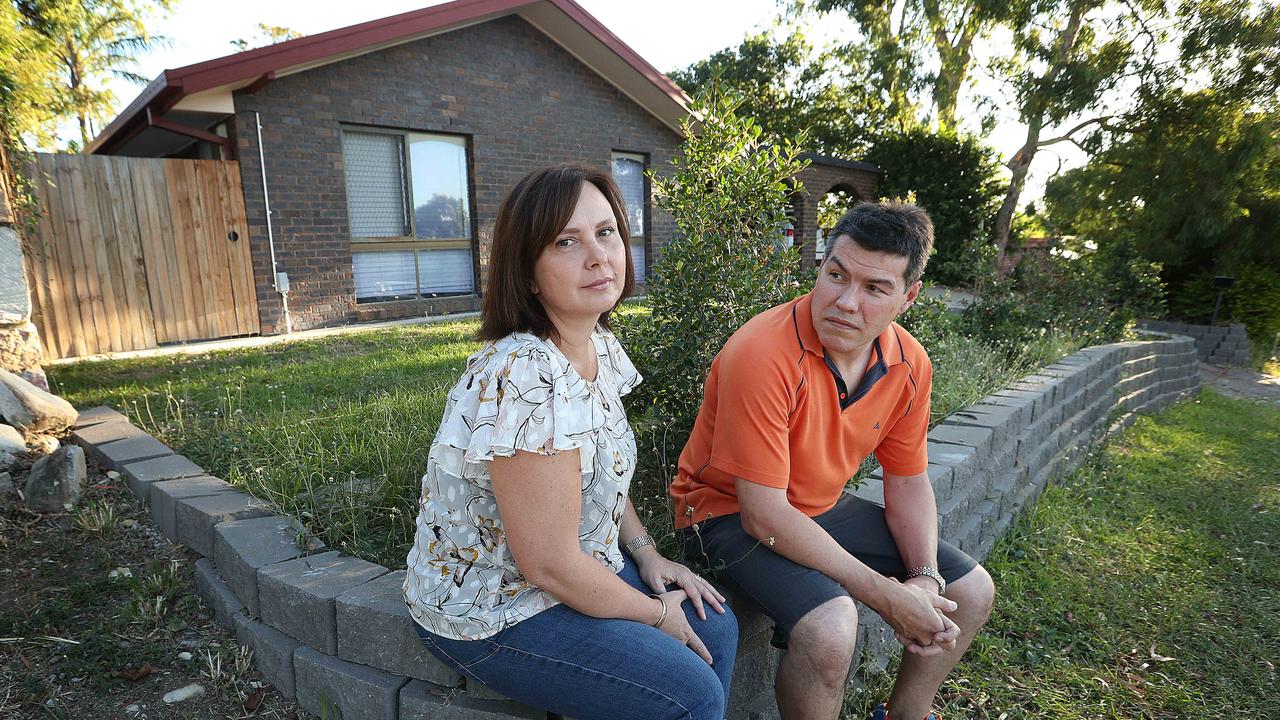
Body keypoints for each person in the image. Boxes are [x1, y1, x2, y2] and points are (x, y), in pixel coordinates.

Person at [403, 164, 737, 720]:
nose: (598, 255)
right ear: (529, 274)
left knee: (715, 625)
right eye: (566, 241)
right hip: (492, 608)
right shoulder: (525, 374)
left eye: (606, 232)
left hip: (577, 569)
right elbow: (548, 565)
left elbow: (602, 467)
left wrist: (647, 554)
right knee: (688, 691)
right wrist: (655, 615)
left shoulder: (597, 345)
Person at [671, 201, 996, 720]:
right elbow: (763, 514)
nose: (846, 302)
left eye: (874, 289)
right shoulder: (762, 354)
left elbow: (908, 481)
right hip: (723, 514)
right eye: (836, 275)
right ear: (820, 268)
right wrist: (884, 596)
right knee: (831, 627)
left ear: (908, 297)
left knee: (971, 590)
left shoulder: (909, 363)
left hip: (817, 507)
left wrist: (925, 578)